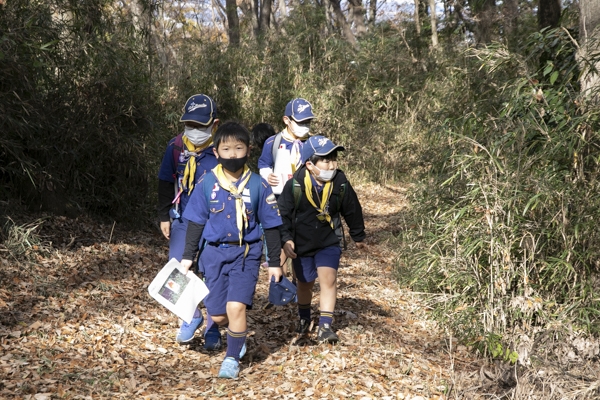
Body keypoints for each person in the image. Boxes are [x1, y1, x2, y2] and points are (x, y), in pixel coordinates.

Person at [180, 121, 283, 379]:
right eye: (226, 149)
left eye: (239, 148)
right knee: (218, 313)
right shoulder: (206, 184)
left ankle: (231, 358)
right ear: (216, 153)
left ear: (248, 150)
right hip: (213, 255)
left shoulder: (259, 185)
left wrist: (273, 261)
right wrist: (187, 257)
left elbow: (270, 225)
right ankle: (231, 333)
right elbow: (195, 222)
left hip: (245, 254)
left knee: (236, 307)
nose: (233, 155)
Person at [277, 135, 367, 343]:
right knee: (305, 283)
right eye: (325, 160)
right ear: (310, 164)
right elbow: (283, 214)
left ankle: (325, 326)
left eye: (333, 159)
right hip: (302, 243)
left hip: (329, 240)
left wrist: (358, 234)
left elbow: (352, 208)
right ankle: (304, 319)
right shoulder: (295, 185)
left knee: (329, 279)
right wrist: (286, 240)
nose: (331, 164)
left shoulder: (340, 182)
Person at [157, 94, 219, 344]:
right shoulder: (175, 147)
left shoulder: (222, 150)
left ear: (214, 124)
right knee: (176, 268)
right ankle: (190, 316)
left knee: (212, 272)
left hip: (214, 222)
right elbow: (164, 181)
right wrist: (164, 217)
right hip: (182, 218)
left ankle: (214, 326)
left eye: (200, 126)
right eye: (189, 125)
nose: (194, 131)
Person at [257, 98, 315, 195]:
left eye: (308, 122)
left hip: (308, 196)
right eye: (300, 122)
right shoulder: (272, 142)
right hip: (281, 197)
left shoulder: (313, 143)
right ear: (287, 120)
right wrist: (267, 175)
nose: (304, 126)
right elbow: (264, 164)